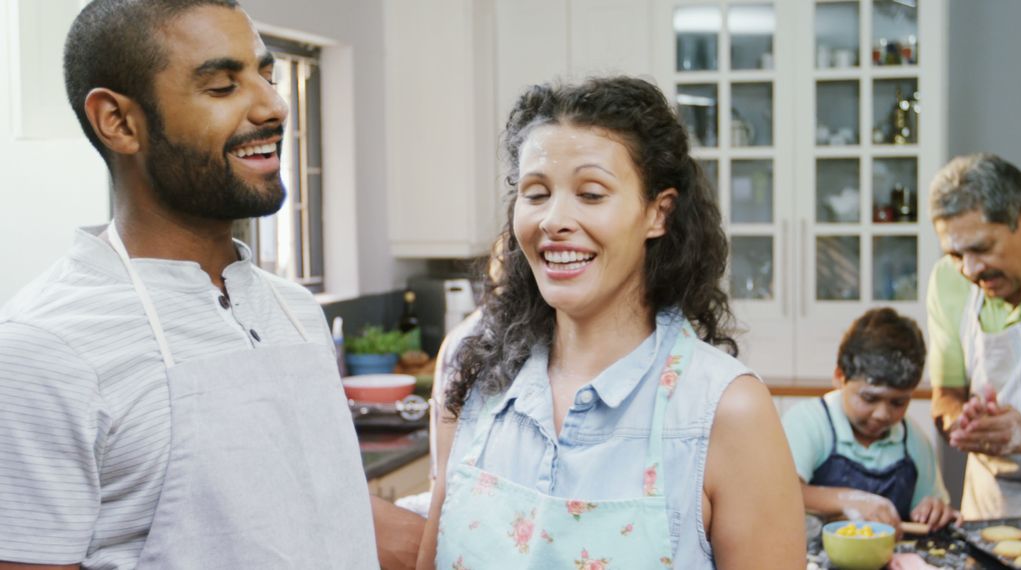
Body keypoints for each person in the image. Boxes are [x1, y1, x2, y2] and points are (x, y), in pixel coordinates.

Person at [0, 1, 421, 568]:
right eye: (223, 87)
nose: (274, 106)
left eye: (267, 76)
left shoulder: (294, 311)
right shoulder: (42, 350)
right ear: (119, 122)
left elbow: (306, 512)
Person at [417, 76, 805, 569]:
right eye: (536, 194)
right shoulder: (476, 378)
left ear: (658, 213)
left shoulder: (726, 411)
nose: (554, 220)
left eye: (592, 193)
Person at [927, 153, 1021, 519]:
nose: (970, 269)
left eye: (981, 248)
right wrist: (964, 423)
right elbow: (945, 397)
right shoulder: (948, 282)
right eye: (955, 254)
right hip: (988, 514)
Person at [782, 308, 958, 533]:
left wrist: (935, 510)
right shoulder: (809, 423)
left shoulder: (914, 441)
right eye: (869, 398)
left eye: (898, 403)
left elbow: (930, 510)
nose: (882, 414)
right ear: (839, 377)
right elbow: (781, 491)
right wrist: (850, 501)